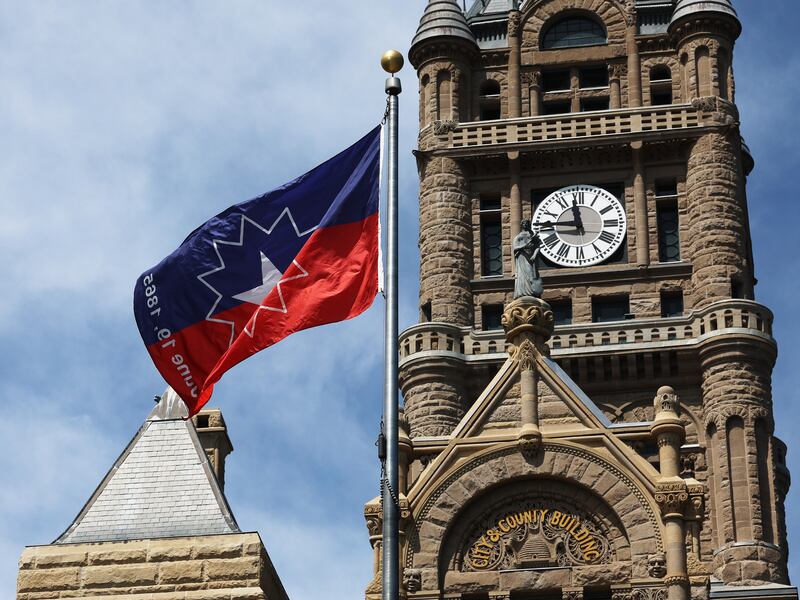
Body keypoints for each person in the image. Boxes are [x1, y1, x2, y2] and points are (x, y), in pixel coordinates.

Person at [513, 219, 544, 298]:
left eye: (526, 223)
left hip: (531, 258)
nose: (525, 224)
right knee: (522, 274)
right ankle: (522, 292)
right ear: (521, 225)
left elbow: (538, 246)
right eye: (523, 223)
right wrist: (524, 246)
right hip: (522, 257)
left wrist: (534, 254)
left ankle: (532, 291)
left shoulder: (531, 234)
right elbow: (515, 248)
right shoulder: (518, 236)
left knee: (531, 273)